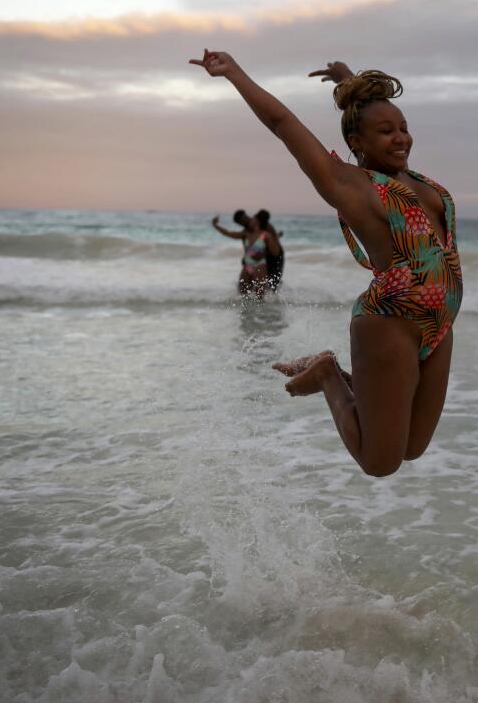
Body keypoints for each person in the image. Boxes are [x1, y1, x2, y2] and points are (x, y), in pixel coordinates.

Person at [190, 51, 462, 477]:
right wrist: (234, 73)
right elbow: (282, 124)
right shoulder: (350, 185)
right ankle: (327, 375)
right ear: (357, 143)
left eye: (404, 128)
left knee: (412, 447)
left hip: (440, 323)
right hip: (390, 321)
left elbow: (365, 115)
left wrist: (349, 82)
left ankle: (351, 380)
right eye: (387, 132)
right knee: (380, 462)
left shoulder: (420, 184)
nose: (401, 138)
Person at [211, 209, 274, 297]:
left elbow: (273, 251)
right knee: (243, 294)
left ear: (258, 222)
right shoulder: (245, 234)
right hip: (248, 265)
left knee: (260, 295)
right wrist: (215, 225)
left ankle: (264, 310)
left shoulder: (266, 235)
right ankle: (247, 311)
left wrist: (263, 254)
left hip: (260, 264)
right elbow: (228, 233)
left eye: (253, 219)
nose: (250, 220)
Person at [254, 209, 284, 291]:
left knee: (273, 276)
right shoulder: (264, 226)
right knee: (272, 275)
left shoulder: (267, 227)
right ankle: (272, 295)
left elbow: (273, 240)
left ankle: (274, 296)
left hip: (275, 254)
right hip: (273, 253)